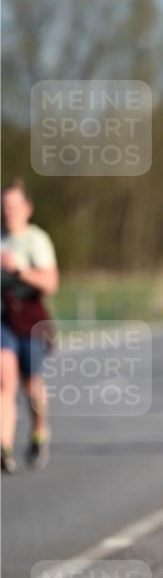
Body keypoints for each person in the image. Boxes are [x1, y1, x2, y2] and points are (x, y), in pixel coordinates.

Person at [1, 180, 59, 472]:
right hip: (3, 319)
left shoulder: (36, 240)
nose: (7, 211)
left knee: (31, 384)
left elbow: (50, 283)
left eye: (13, 205)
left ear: (27, 209)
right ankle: (5, 447)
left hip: (31, 319)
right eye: (4, 206)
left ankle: (39, 431)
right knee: (4, 379)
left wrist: (19, 271)